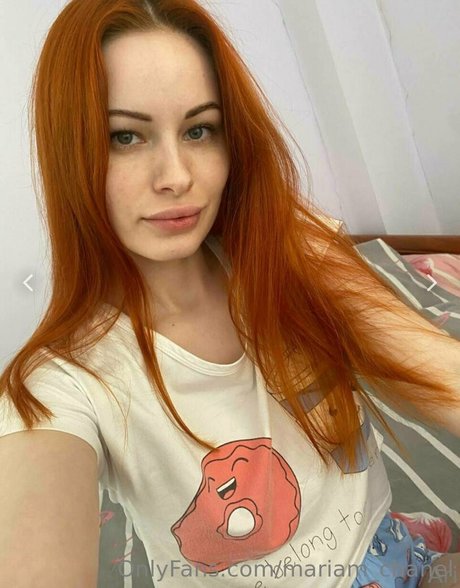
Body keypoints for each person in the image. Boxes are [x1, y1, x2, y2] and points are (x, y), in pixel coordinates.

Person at [0, 0, 459, 586]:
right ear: (70, 152)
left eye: (199, 130)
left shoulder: (292, 251)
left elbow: (441, 375)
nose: (176, 176)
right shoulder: (61, 384)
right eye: (125, 137)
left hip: (401, 561)